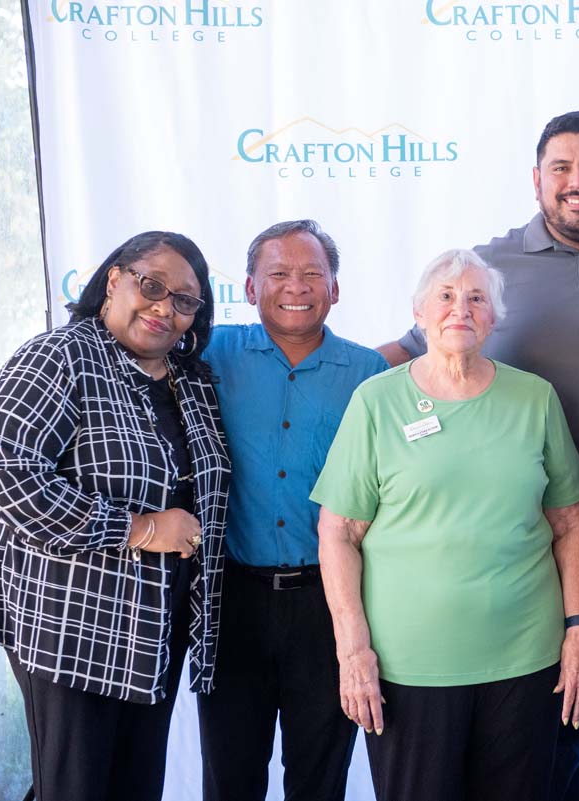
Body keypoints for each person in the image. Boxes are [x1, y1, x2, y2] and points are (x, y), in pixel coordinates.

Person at [377, 111, 579, 801]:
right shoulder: (489, 267)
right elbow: (414, 350)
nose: (577, 182)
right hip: (540, 543)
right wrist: (312, 368)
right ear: (537, 180)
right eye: (561, 168)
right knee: (554, 725)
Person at [314, 249, 579, 801]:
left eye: (476, 298)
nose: (459, 309)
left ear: (494, 317)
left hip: (528, 661)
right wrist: (354, 653)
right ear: (418, 314)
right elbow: (339, 532)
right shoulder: (376, 400)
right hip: (408, 668)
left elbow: (570, 522)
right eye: (444, 296)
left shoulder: (534, 398)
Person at [0, 231, 230, 801]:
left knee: (134, 789)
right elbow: (8, 474)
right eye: (152, 286)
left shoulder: (191, 383)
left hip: (155, 632)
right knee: (74, 788)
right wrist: (139, 528)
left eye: (185, 301)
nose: (165, 307)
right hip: (70, 626)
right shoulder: (59, 356)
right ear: (114, 280)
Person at [197, 219, 387, 801]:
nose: (296, 286)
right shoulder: (208, 354)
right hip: (230, 601)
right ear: (250, 288)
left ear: (336, 288)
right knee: (231, 776)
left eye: (312, 274)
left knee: (319, 777)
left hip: (326, 604)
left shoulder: (369, 376)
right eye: (278, 273)